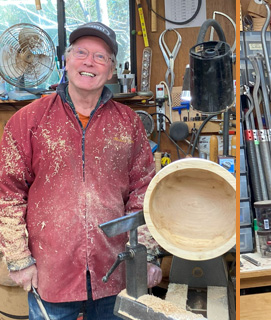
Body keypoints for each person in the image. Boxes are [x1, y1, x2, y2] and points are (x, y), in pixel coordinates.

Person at [0, 22, 161, 319]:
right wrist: (19, 260)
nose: (89, 62)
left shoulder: (128, 123)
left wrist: (147, 255)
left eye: (101, 57)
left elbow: (146, 191)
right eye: (81, 52)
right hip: (50, 273)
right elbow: (8, 194)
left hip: (114, 270)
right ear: (66, 60)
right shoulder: (28, 121)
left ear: (111, 70)